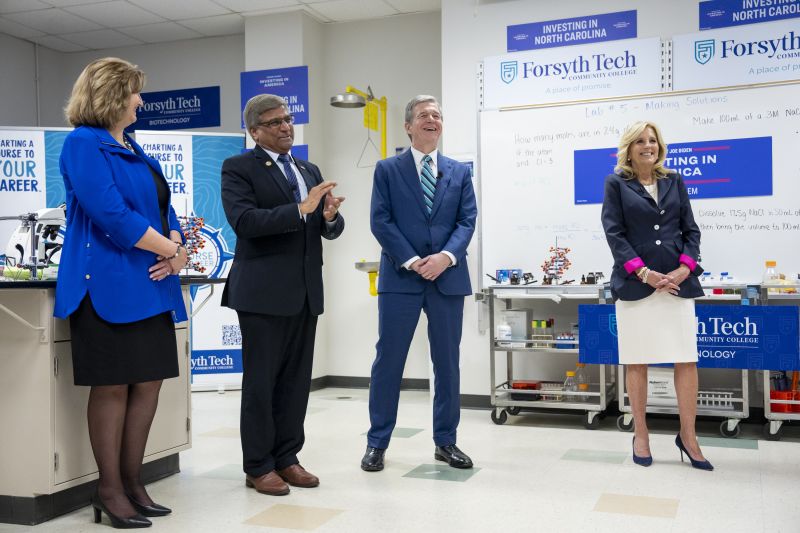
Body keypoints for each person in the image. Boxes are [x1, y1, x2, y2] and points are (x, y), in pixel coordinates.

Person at [55, 57, 189, 529]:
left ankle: (133, 483)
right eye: (135, 92)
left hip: (151, 284)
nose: (141, 101)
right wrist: (169, 248)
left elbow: (163, 208)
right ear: (112, 95)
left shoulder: (132, 145)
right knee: (112, 386)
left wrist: (178, 248)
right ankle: (108, 489)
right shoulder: (83, 143)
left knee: (148, 383)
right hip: (105, 285)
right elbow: (110, 213)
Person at [221, 94, 345, 496]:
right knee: (261, 383)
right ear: (254, 131)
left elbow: (323, 228)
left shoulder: (308, 169)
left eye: (288, 119)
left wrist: (329, 217)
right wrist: (300, 208)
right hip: (262, 294)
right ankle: (258, 465)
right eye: (275, 122)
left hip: (305, 292)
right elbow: (244, 222)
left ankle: (287, 457)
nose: (286, 126)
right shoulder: (239, 167)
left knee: (295, 382)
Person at [362, 95, 477, 472]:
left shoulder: (459, 172)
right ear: (408, 126)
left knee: (447, 363)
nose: (432, 119)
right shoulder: (387, 169)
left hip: (448, 278)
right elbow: (380, 220)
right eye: (424, 115)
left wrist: (445, 257)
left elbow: (467, 220)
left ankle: (446, 441)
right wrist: (412, 260)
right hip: (401, 277)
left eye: (437, 115)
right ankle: (377, 442)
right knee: (388, 361)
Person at [601, 121, 713, 471]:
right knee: (637, 360)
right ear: (629, 148)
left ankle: (688, 436)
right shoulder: (616, 183)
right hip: (636, 285)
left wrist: (684, 269)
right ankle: (641, 435)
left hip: (677, 285)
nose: (647, 146)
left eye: (652, 140)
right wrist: (643, 272)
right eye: (640, 141)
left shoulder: (674, 180)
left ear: (659, 146)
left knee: (686, 359)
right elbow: (614, 233)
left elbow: (691, 231)